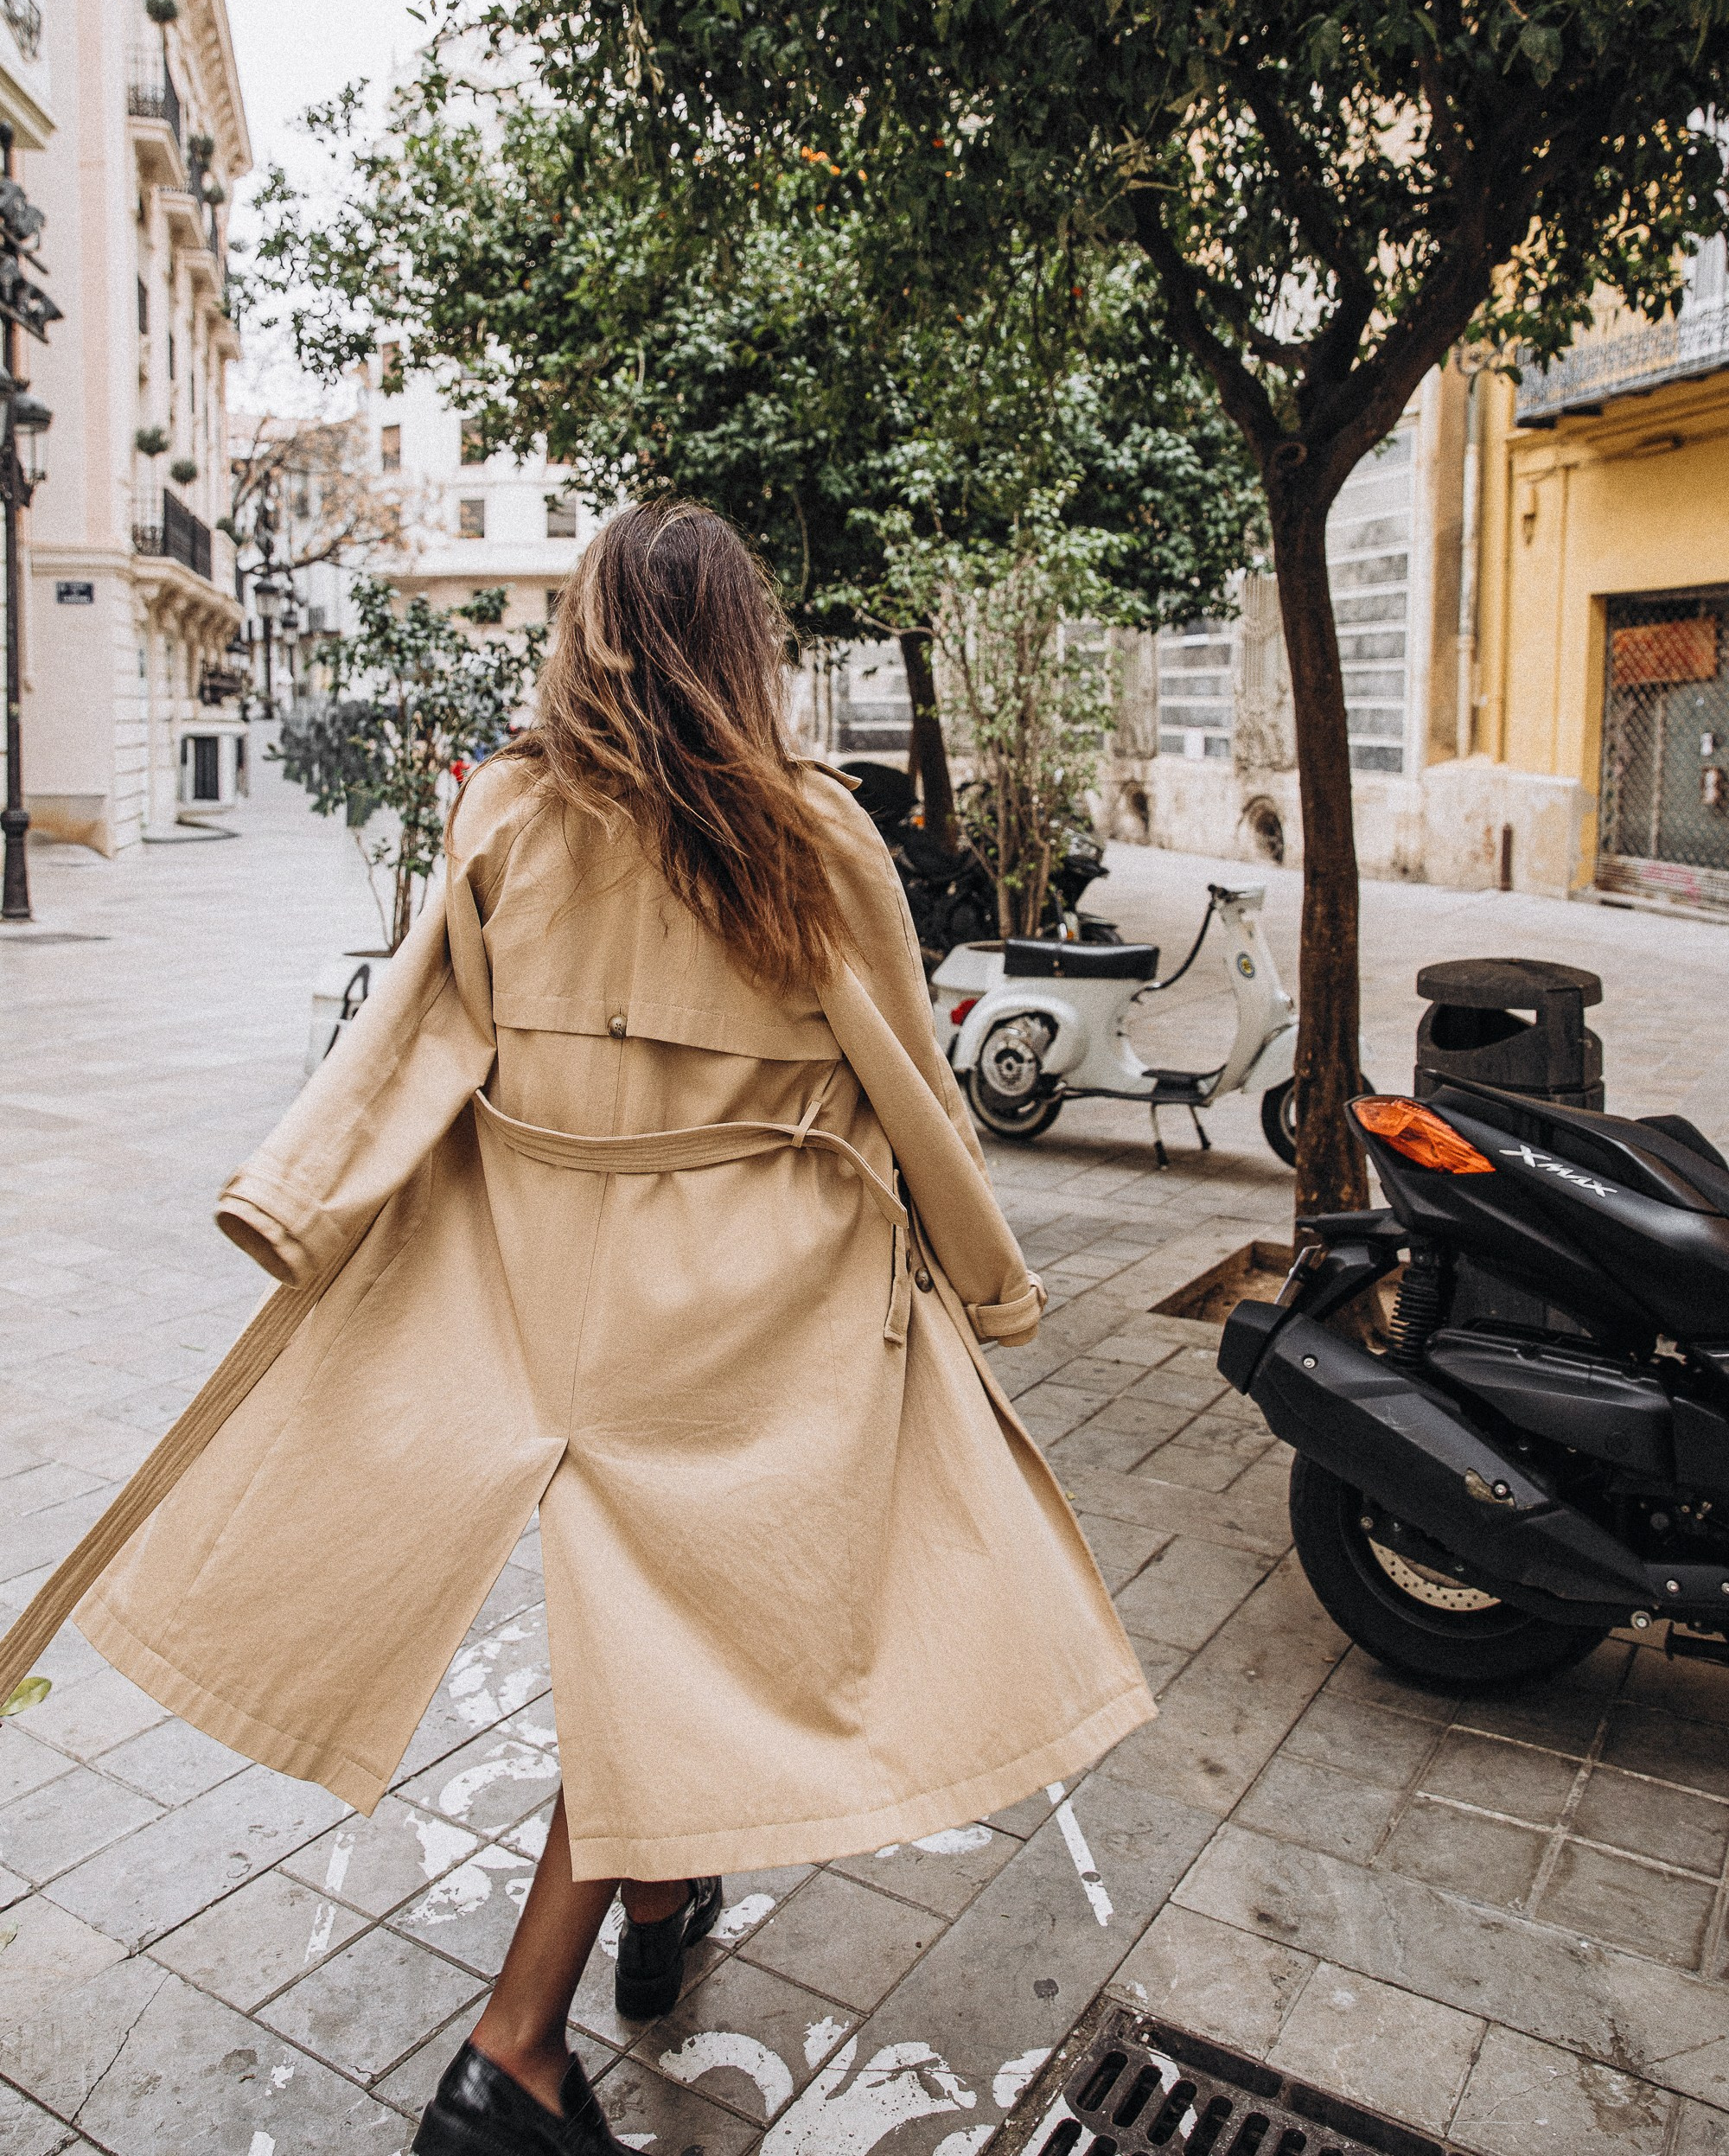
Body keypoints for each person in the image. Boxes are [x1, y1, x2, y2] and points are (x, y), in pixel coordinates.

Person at [0, 501, 1154, 2156]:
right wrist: (989, 1285)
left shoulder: (508, 816)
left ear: (591, 631)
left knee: (661, 1639)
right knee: (713, 1650)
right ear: (746, 644)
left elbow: (415, 1037)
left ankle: (659, 1911)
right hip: (764, 1317)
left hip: (545, 1301)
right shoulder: (811, 834)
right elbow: (913, 1088)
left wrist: (304, 1203)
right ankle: (511, 2055)